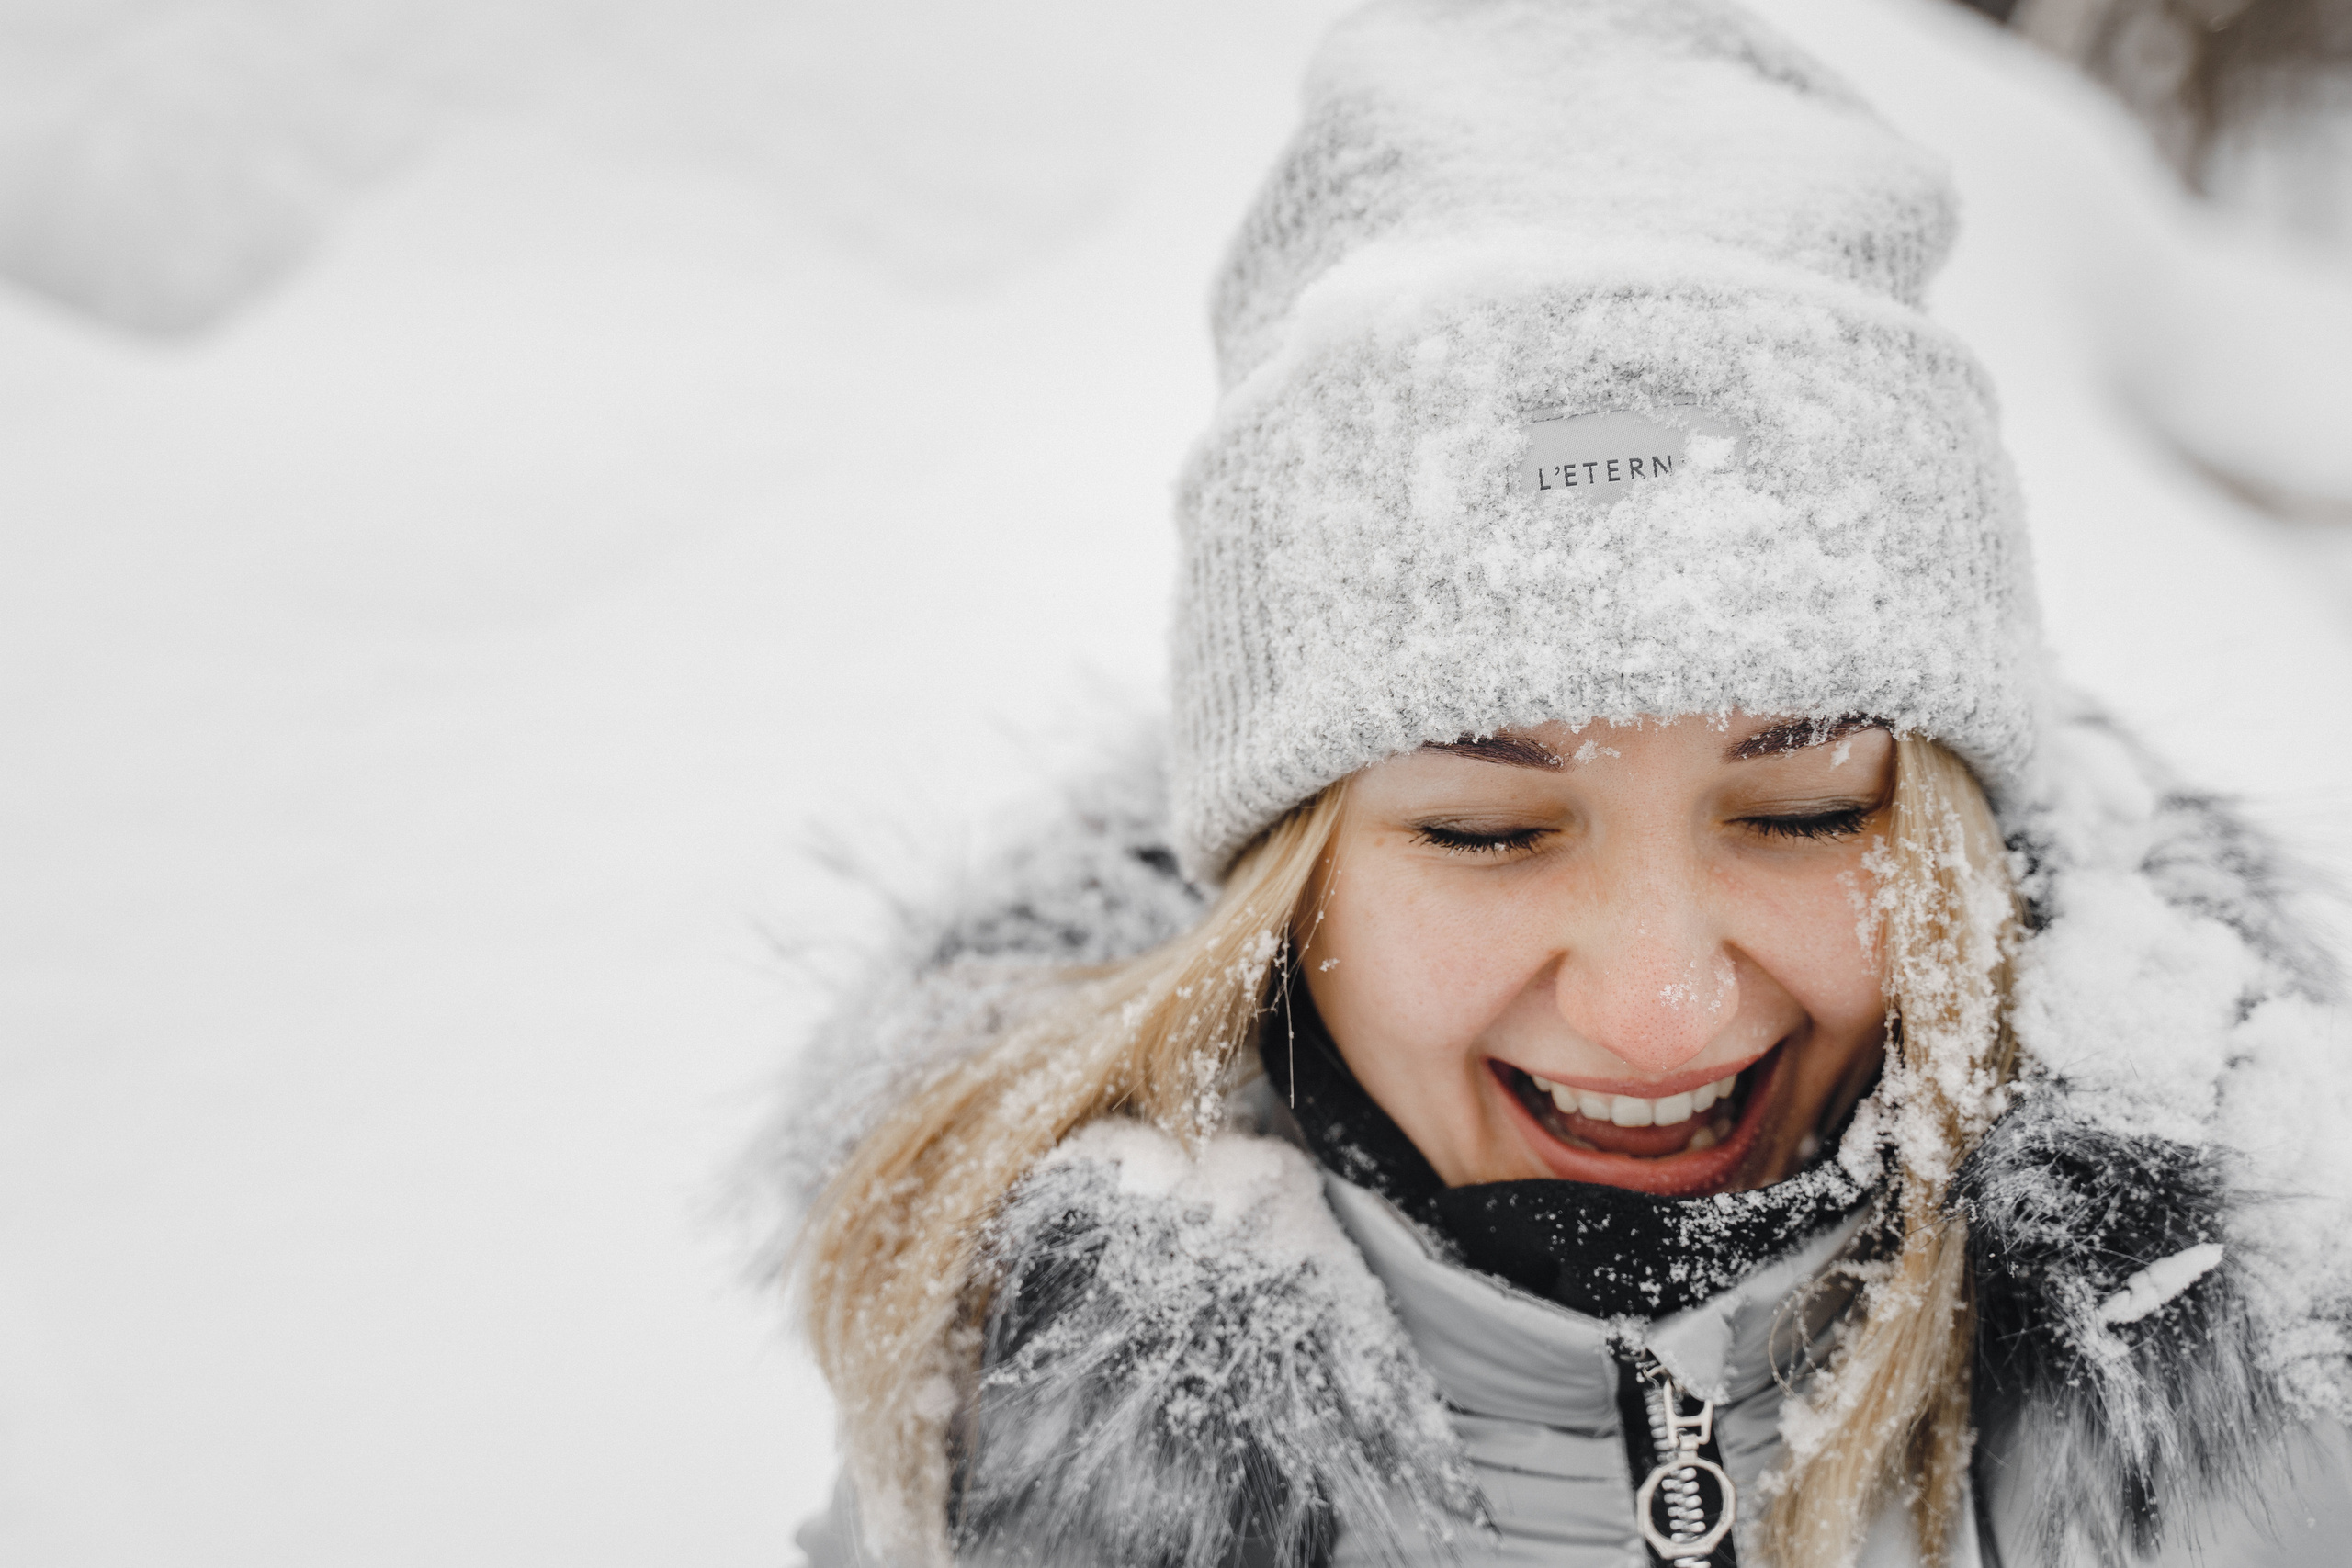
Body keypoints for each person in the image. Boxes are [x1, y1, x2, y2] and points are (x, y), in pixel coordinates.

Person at [764, 1, 2352, 1563]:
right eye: (1487, 829)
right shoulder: (995, 1457)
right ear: (1286, 877)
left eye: (1801, 812)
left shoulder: (2287, 1393)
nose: (1659, 1009)